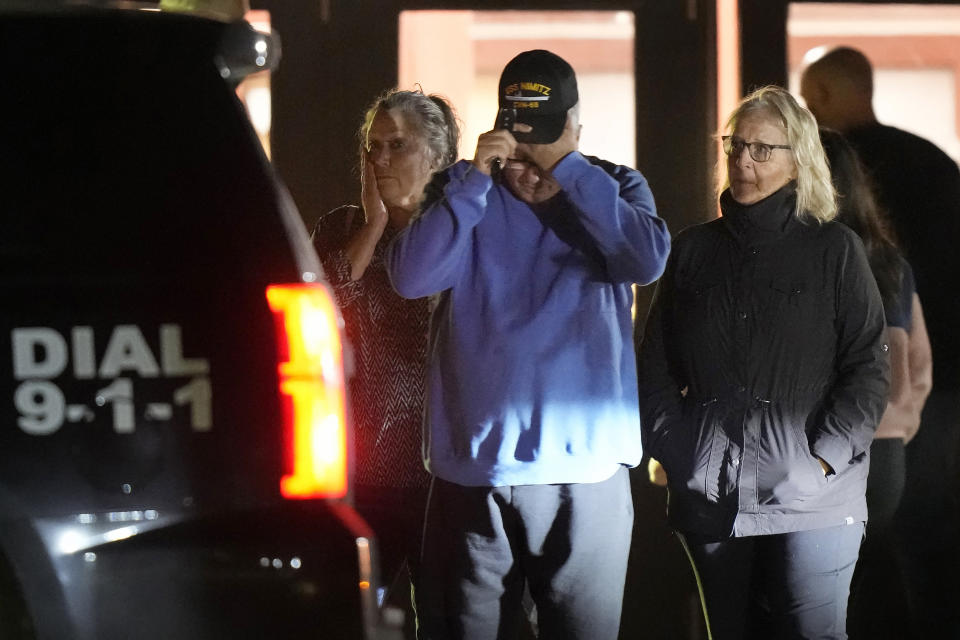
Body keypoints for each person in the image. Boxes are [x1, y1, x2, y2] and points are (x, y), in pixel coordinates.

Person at [384, 49, 671, 640]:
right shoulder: (465, 191)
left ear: (574, 131)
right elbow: (411, 278)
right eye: (521, 143)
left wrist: (571, 170)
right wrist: (472, 182)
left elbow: (645, 260)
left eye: (547, 142)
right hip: (473, 471)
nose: (531, 164)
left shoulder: (612, 185)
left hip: (583, 476)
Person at [636, 86, 890, 639]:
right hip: (712, 495)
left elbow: (868, 369)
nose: (743, 161)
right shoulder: (693, 250)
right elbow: (654, 366)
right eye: (734, 146)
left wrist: (820, 462)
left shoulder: (835, 250)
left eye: (762, 149)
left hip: (815, 501)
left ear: (797, 158)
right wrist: (681, 455)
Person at [801, 46, 960, 637]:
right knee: (926, 533)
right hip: (932, 380)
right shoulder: (933, 162)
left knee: (851, 550)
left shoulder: (829, 171)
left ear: (819, 96)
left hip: (856, 395)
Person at [310, 88, 459, 636]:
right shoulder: (339, 228)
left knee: (446, 621)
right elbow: (320, 311)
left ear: (438, 157)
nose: (379, 159)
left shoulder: (460, 231)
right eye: (373, 147)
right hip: (363, 472)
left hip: (444, 473)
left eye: (397, 145)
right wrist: (372, 228)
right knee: (347, 619)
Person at [818, 127, 933, 639]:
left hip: (820, 445)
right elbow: (922, 366)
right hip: (885, 449)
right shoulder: (890, 263)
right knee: (871, 583)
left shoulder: (810, 258)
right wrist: (899, 424)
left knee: (817, 594)